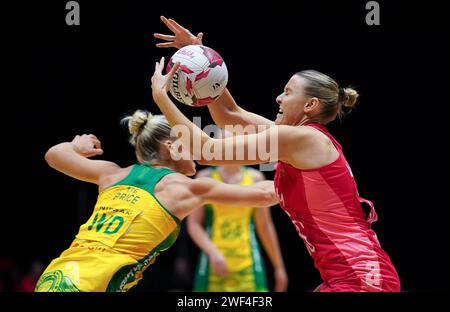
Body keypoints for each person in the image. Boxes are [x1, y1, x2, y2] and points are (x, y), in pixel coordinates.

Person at [151, 16, 401, 292]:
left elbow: (205, 151)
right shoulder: (297, 140)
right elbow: (231, 116)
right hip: (348, 276)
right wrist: (203, 63)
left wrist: (162, 99)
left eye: (287, 92)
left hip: (362, 277)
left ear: (310, 105)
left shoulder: (300, 139)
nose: (278, 99)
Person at [34, 110, 278, 292]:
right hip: (90, 285)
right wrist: (295, 154)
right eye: (190, 141)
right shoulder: (182, 188)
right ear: (171, 147)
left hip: (55, 277)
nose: (198, 148)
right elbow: (268, 194)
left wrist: (76, 146)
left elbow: (55, 155)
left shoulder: (111, 173)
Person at [188, 129, 288, 292]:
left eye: (231, 144)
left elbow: (265, 226)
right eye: (221, 145)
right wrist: (213, 252)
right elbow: (193, 224)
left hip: (248, 262)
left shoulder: (255, 178)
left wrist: (279, 267)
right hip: (213, 263)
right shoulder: (204, 177)